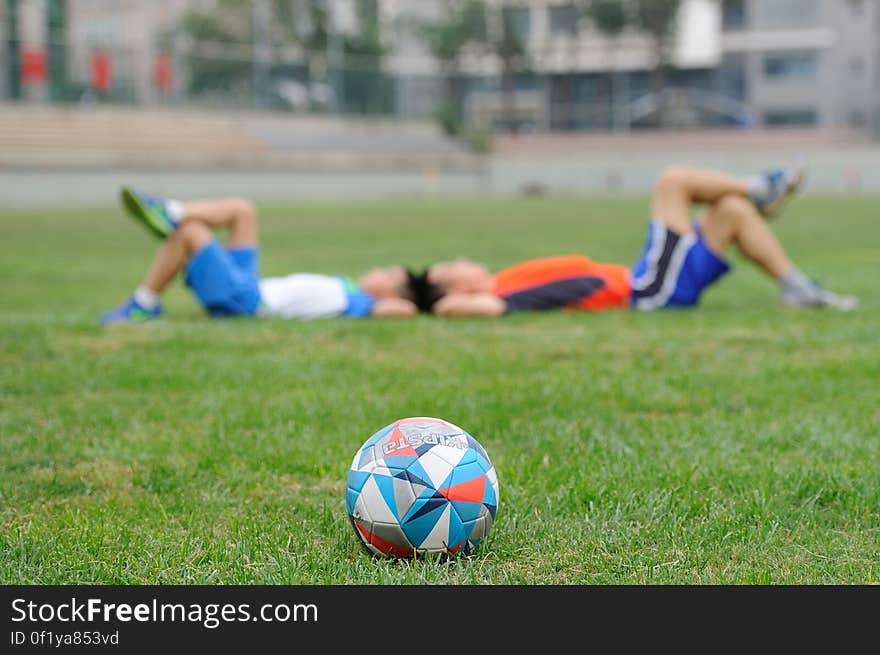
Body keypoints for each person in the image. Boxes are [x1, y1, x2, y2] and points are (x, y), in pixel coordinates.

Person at [413, 164, 859, 317]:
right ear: (458, 288)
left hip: (650, 282)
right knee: (673, 181)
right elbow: (456, 308)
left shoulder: (502, 279)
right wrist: (433, 301)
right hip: (648, 290)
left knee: (730, 213)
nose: (461, 258)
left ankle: (797, 287)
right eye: (451, 268)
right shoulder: (498, 294)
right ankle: (761, 187)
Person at [100, 188, 421, 323]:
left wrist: (428, 295)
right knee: (243, 211)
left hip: (248, 302)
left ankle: (143, 306)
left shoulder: (366, 304)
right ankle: (171, 210)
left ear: (390, 293)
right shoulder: (348, 286)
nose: (379, 269)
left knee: (192, 233)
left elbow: (407, 310)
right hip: (251, 285)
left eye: (388, 275)